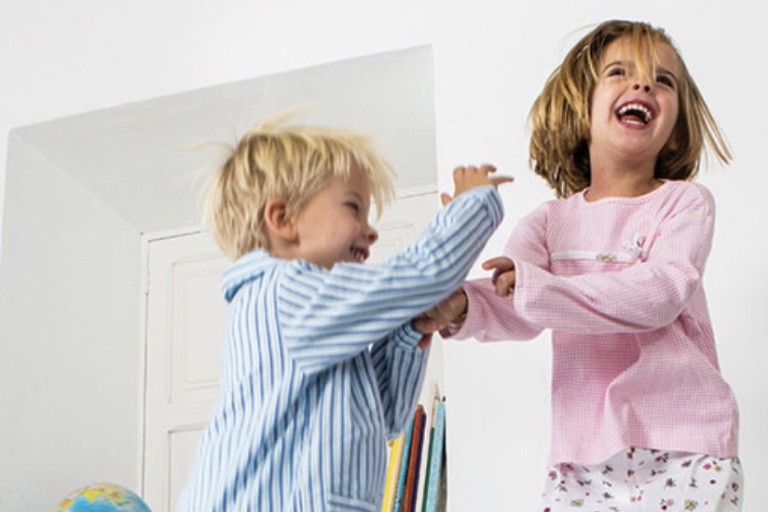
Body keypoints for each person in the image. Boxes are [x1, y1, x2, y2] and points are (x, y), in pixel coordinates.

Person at [421, 20, 743, 510]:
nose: (643, 85)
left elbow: (660, 293)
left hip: (687, 448)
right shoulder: (549, 223)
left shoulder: (684, 203)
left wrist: (540, 289)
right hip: (580, 458)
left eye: (663, 80)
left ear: (675, 129)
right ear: (581, 107)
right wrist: (460, 305)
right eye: (620, 71)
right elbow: (515, 301)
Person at [175, 117, 511, 511]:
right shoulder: (286, 293)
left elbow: (382, 418)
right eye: (354, 208)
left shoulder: (317, 318)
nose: (371, 232)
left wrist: (409, 330)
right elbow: (420, 274)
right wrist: (473, 204)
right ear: (284, 219)